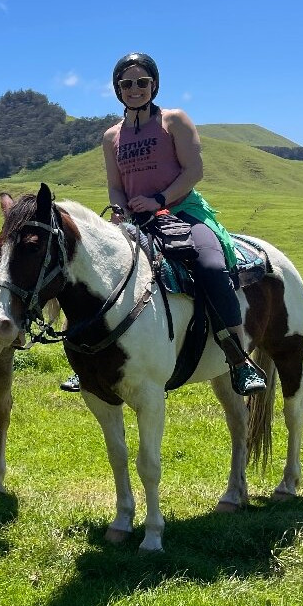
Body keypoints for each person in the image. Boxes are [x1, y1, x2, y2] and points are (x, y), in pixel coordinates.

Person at [61, 53, 264, 396]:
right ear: (117, 90)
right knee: (91, 272)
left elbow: (194, 172)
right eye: (127, 84)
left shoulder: (174, 120)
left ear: (154, 85)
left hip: (182, 213)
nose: (135, 89)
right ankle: (87, 361)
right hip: (134, 220)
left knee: (210, 266)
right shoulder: (111, 137)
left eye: (142, 82)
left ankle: (238, 359)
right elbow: (115, 184)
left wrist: (160, 199)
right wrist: (119, 209)